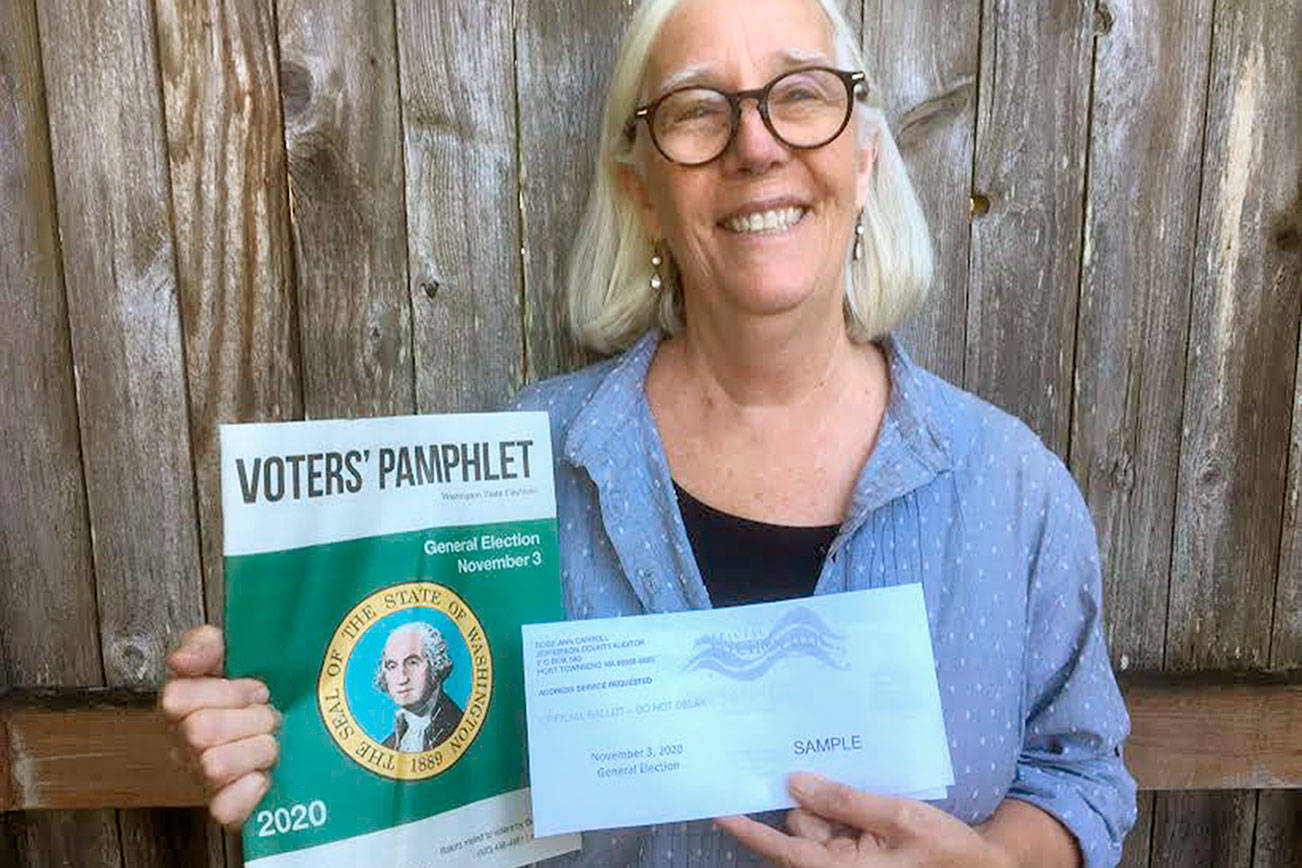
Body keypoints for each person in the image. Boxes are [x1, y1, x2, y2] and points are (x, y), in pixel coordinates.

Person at [161, 0, 1137, 864]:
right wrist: (284, 740)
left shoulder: (1012, 485)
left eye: (798, 95)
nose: (755, 146)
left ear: (865, 151)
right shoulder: (514, 475)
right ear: (641, 190)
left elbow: (1079, 777)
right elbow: (410, 765)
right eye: (698, 108)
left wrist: (994, 864)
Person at [374, 622, 463, 752]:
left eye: (413, 663)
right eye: (392, 666)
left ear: (436, 664)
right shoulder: (387, 746)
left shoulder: (459, 729)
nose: (402, 678)